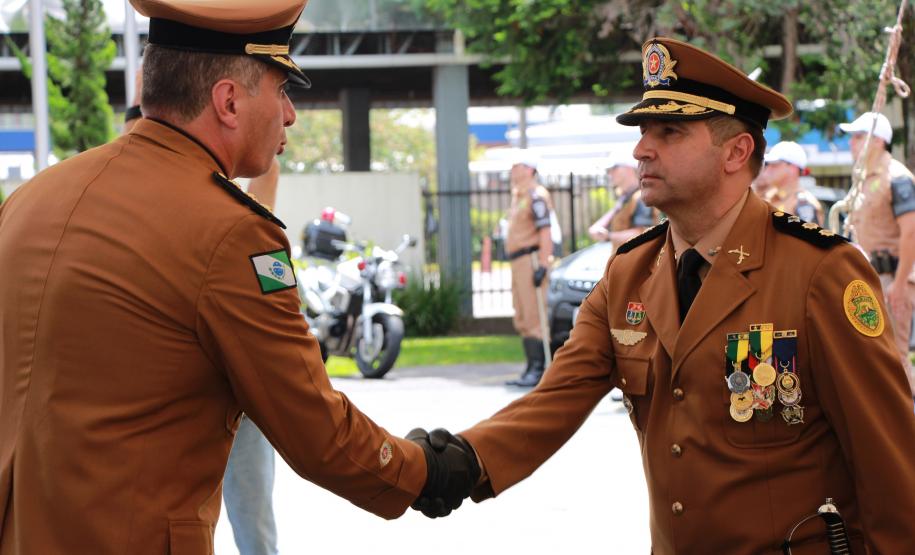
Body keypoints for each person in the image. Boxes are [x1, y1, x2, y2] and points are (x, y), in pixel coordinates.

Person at [0, 1, 480, 552]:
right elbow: (314, 429)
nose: (291, 116)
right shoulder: (230, 233)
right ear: (228, 101)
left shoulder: (32, 199)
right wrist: (424, 471)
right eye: (283, 91)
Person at [410, 37, 915, 553]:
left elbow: (889, 464)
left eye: (669, 131)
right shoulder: (629, 274)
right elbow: (554, 401)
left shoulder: (820, 273)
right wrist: (461, 460)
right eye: (644, 130)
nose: (640, 149)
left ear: (736, 152)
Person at [126, 68, 284, 555]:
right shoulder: (134, 198)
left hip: (238, 386)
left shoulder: (245, 210)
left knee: (252, 520)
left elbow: (272, 275)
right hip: (173, 389)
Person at [843, 111, 915, 396]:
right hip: (869, 276)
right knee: (870, 360)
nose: (852, 144)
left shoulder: (897, 177)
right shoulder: (862, 179)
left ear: (878, 141)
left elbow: (911, 232)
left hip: (892, 276)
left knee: (894, 359)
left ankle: (907, 431)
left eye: (859, 137)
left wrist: (899, 284)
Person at [504, 156, 553, 387]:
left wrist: (543, 264)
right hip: (518, 261)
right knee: (522, 314)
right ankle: (530, 366)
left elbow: (545, 231)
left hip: (531, 258)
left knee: (534, 314)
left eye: (517, 165)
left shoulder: (536, 195)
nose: (513, 169)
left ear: (530, 169)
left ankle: (539, 369)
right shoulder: (518, 195)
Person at [588, 152, 659, 248]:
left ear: (628, 168)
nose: (610, 173)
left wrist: (609, 236)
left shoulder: (641, 197)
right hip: (624, 259)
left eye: (613, 169)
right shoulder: (625, 196)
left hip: (638, 260)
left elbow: (643, 233)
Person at [756, 140, 823, 225]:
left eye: (774, 165)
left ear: (793, 168)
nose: (768, 169)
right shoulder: (767, 197)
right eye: (768, 165)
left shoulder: (803, 205)